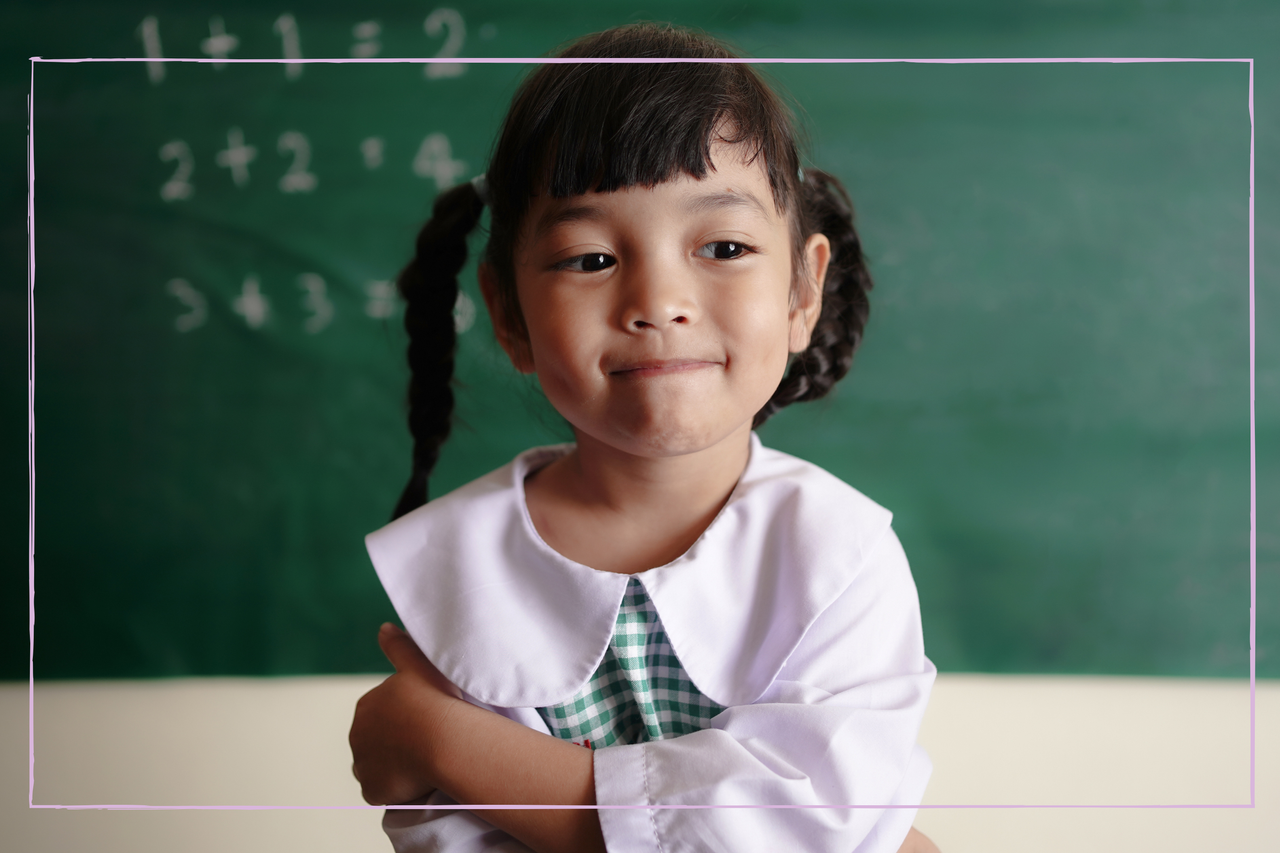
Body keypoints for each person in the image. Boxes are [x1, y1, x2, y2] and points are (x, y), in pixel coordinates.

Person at [349, 22, 940, 853]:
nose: (658, 299)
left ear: (804, 291)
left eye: (725, 247)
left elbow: (805, 829)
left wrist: (445, 739)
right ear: (509, 315)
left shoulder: (839, 553)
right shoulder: (457, 563)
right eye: (590, 259)